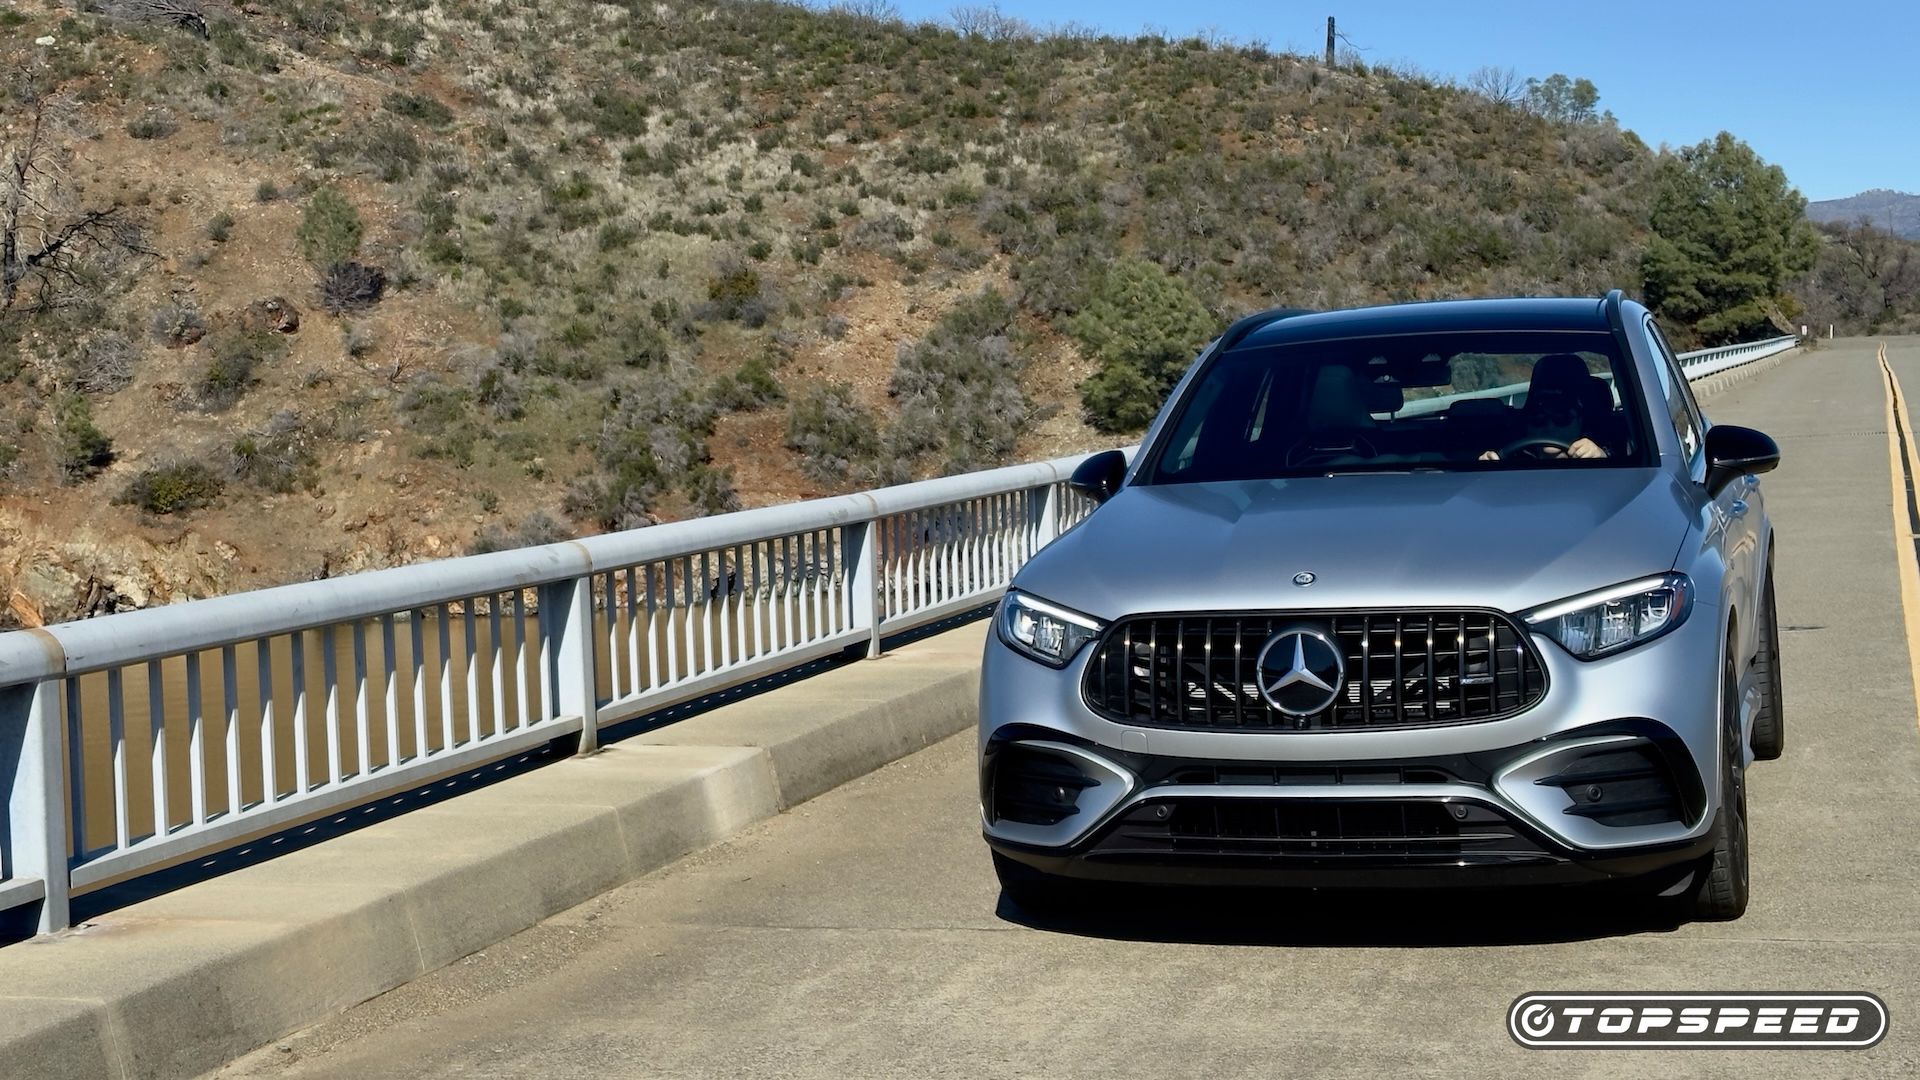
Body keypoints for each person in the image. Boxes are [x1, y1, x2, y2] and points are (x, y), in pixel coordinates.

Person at [1478, 353, 1613, 461]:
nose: (1549, 427)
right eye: (1538, 420)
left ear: (1581, 422)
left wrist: (1601, 458)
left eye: (1562, 419)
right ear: (1527, 425)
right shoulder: (1512, 458)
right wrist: (1488, 470)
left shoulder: (1606, 452)